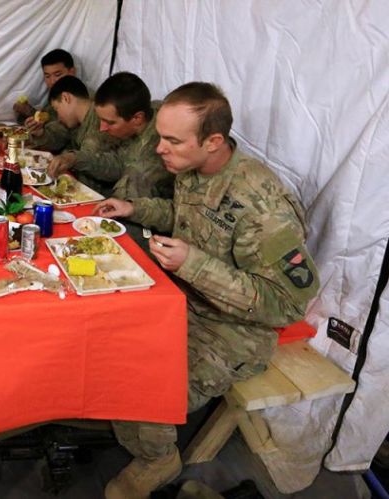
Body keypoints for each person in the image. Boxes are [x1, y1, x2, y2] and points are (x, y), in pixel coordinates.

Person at [93, 82, 320, 499]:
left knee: (139, 382)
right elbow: (186, 216)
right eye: (160, 136)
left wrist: (194, 265)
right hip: (181, 300)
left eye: (172, 140)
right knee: (102, 338)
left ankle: (157, 458)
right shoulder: (193, 169)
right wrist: (135, 209)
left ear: (213, 141)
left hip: (234, 332)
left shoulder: (263, 207)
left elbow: (285, 304)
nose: (159, 149)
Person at [50, 72, 173, 240]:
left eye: (110, 122)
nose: (102, 128)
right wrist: (75, 158)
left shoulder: (155, 146)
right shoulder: (134, 128)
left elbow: (130, 184)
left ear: (137, 118)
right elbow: (117, 164)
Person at [45, 75, 121, 195]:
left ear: (66, 98)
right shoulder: (81, 122)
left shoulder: (99, 121)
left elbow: (95, 168)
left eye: (57, 109)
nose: (58, 117)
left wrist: (73, 159)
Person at [14, 48, 76, 153]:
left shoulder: (78, 99)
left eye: (58, 75)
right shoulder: (55, 96)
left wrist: (41, 133)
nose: (53, 81)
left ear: (72, 72)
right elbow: (49, 120)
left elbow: (61, 135)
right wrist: (28, 113)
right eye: (47, 76)